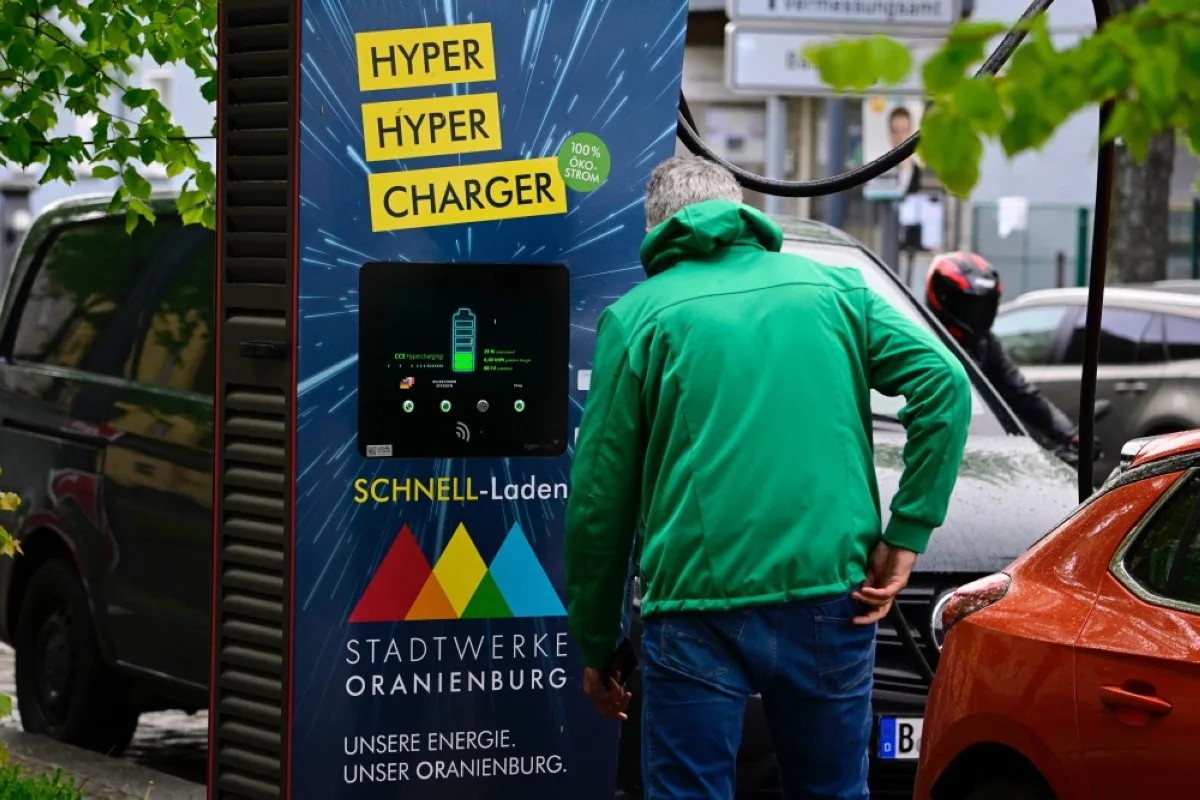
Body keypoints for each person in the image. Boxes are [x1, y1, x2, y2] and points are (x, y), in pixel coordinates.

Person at [563, 154, 973, 799]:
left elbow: (598, 501)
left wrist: (595, 642)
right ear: (741, 211)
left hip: (695, 607)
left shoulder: (638, 317)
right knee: (832, 790)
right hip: (832, 595)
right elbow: (944, 384)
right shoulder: (835, 290)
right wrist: (906, 533)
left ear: (656, 227)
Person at [923, 250, 1092, 465]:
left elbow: (1020, 391)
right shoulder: (924, 341)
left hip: (981, 451)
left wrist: (1069, 435)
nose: (977, 314)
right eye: (970, 305)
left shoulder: (985, 344)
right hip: (933, 450)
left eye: (985, 306)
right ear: (943, 297)